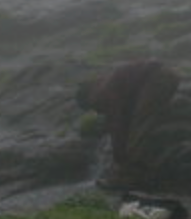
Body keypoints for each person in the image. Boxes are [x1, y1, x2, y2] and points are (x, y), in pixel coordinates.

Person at [76, 59, 181, 188]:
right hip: (166, 74)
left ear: (89, 99)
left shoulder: (101, 94)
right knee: (141, 125)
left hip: (157, 78)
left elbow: (118, 121)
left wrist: (119, 158)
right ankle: (139, 170)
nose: (97, 111)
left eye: (92, 107)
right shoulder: (107, 83)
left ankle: (131, 177)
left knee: (139, 129)